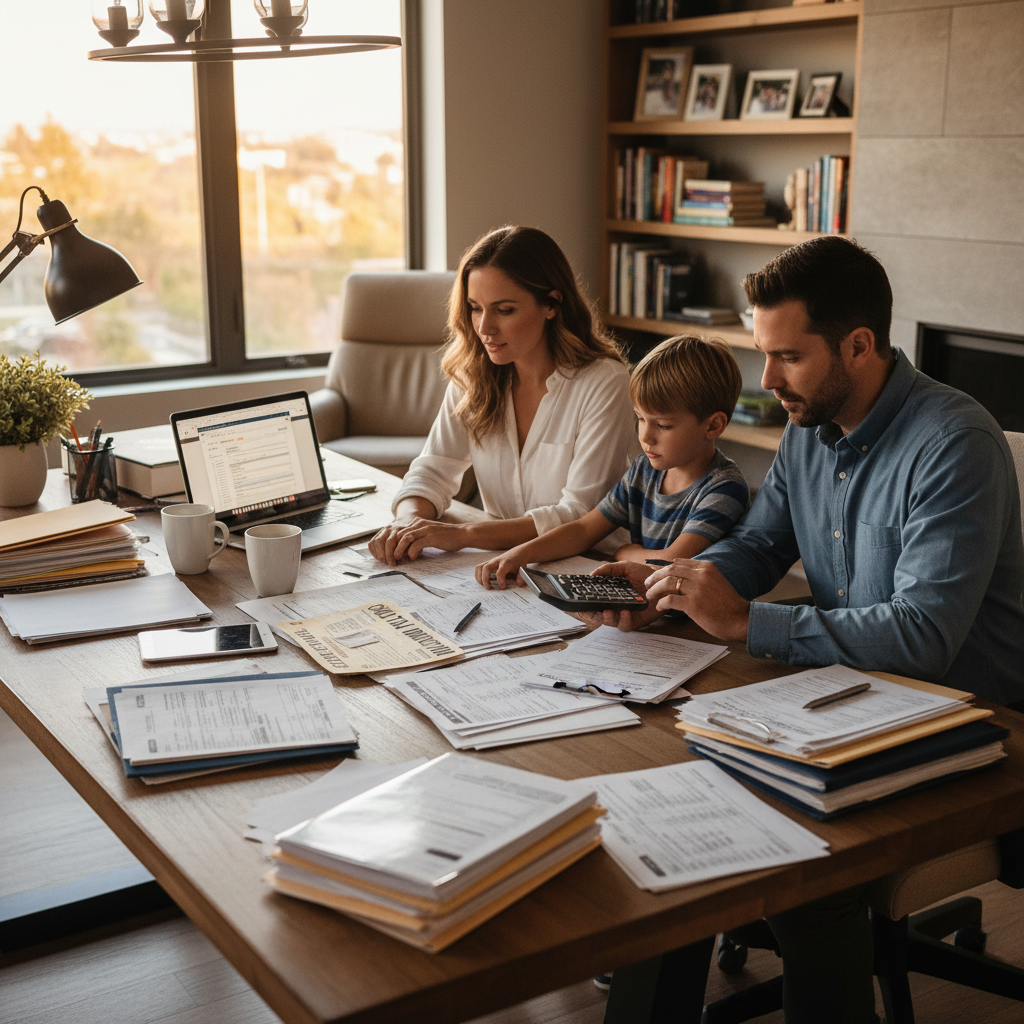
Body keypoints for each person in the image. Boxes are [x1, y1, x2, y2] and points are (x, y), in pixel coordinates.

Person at [581, 235, 1024, 1024]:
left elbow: (923, 638)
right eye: (762, 354)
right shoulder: (809, 430)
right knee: (660, 793)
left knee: (799, 879)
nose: (767, 380)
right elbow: (758, 544)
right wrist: (670, 586)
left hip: (965, 717)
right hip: (847, 698)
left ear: (858, 345)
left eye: (787, 357)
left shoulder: (954, 443)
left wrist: (750, 621)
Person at [368, 225, 637, 566]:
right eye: (475, 307)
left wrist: (463, 535)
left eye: (504, 310)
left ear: (551, 305)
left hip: (587, 563)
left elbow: (577, 514)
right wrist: (408, 523)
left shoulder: (603, 382)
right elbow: (433, 471)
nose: (484, 328)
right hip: (500, 563)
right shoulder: (473, 375)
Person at [474, 335, 749, 589]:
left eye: (663, 425)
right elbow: (583, 529)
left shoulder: (723, 489)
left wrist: (624, 552)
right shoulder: (643, 470)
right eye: (640, 419)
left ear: (713, 426)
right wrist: (519, 555)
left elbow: (670, 565)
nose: (646, 436)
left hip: (697, 626)